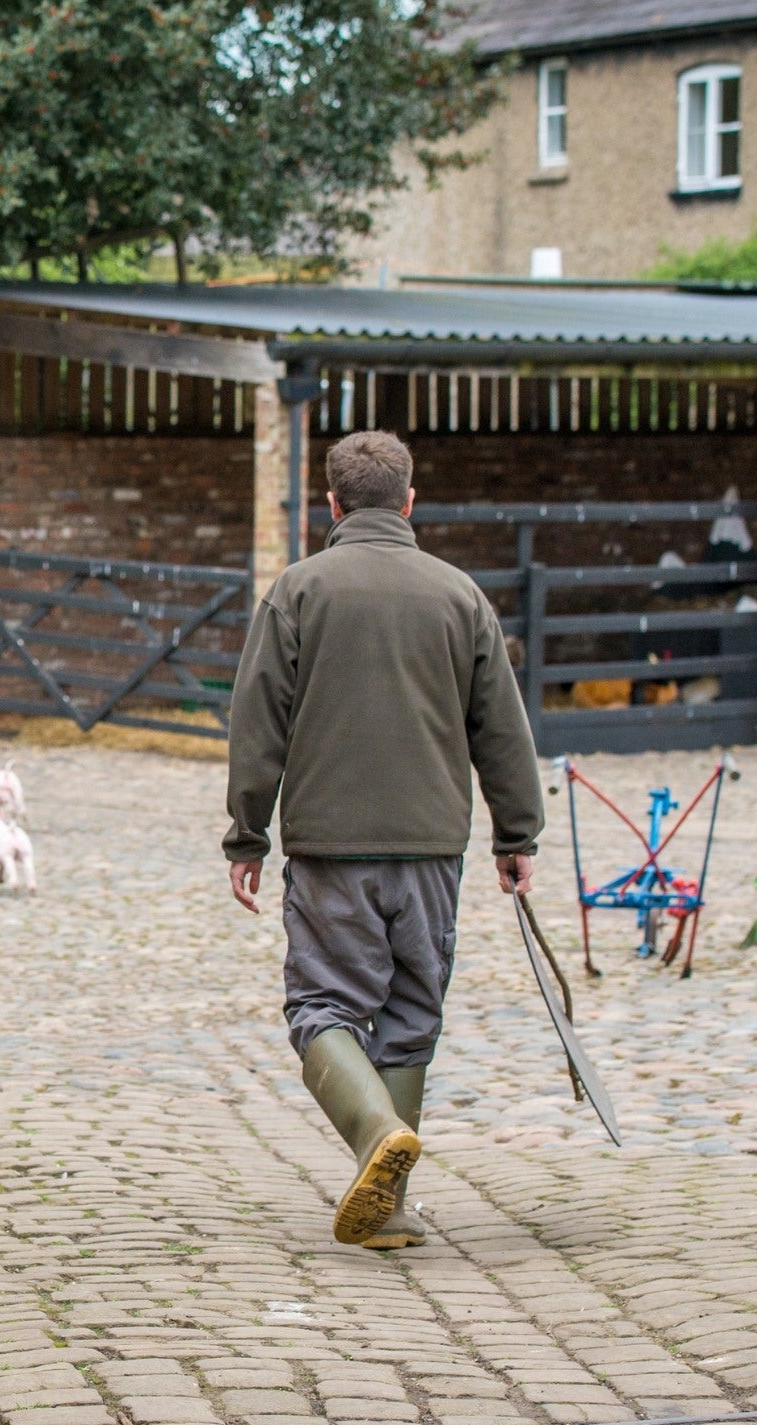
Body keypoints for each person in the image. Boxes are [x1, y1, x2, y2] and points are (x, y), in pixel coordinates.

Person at [222, 431, 542, 1252]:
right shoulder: (459, 595)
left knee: (323, 1005)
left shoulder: (298, 591)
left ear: (329, 505)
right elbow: (500, 725)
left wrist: (247, 833)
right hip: (433, 847)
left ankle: (375, 1141)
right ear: (409, 501)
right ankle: (391, 1207)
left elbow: (258, 720)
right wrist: (517, 831)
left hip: (332, 847)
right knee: (408, 1016)